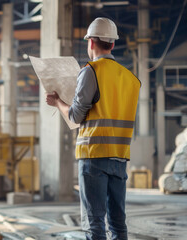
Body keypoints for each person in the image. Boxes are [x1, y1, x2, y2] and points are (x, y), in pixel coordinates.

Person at [46, 17, 140, 240]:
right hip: (119, 157)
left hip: (94, 156)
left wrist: (57, 102)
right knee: (118, 222)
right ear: (113, 44)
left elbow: (76, 115)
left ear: (91, 42)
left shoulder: (91, 71)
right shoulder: (131, 79)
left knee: (94, 221)